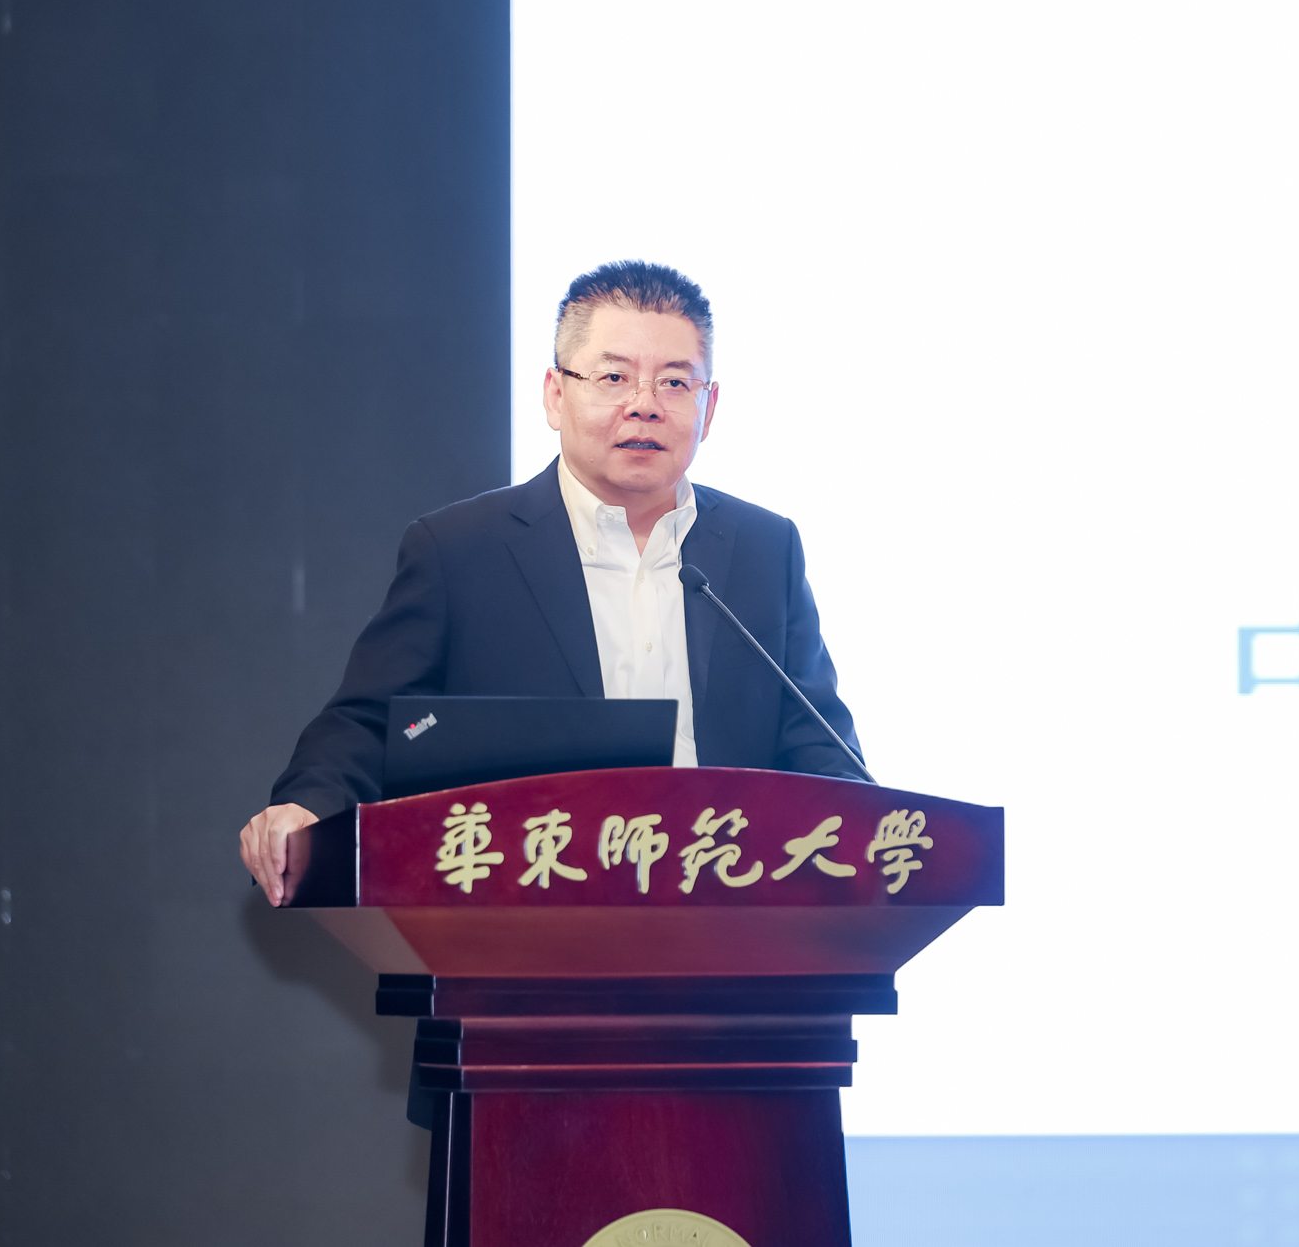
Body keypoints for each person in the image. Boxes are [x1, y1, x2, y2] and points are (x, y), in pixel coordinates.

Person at [239, 260, 864, 904]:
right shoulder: (461, 551)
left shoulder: (766, 549)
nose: (644, 405)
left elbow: (820, 746)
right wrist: (308, 807)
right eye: (614, 377)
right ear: (555, 395)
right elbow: (373, 726)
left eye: (676, 382)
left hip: (728, 911)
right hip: (529, 908)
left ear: (709, 409)